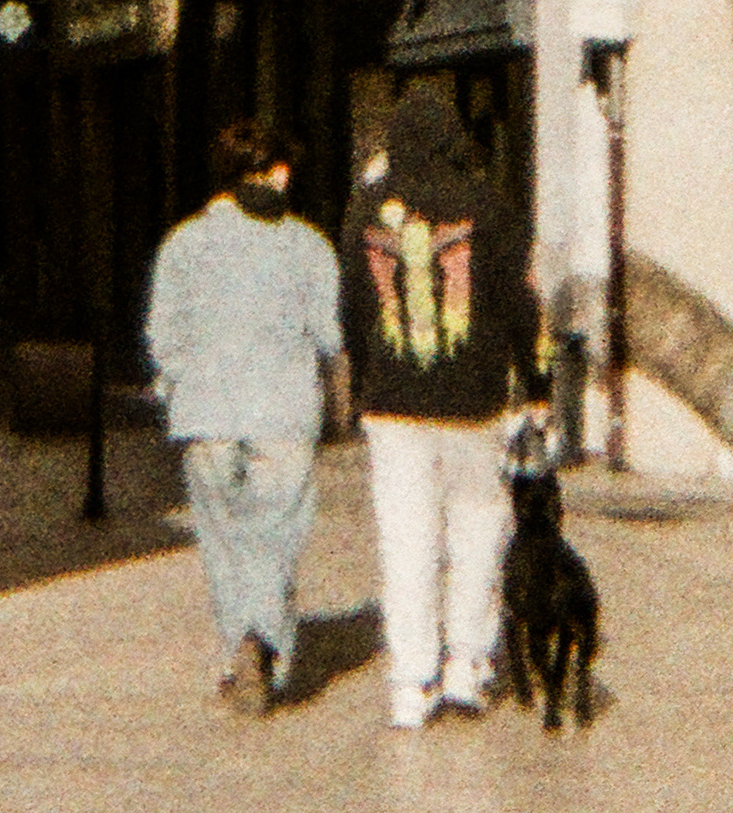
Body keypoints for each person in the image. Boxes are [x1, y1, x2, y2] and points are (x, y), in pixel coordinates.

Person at [345, 78, 543, 731]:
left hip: (392, 403)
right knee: (478, 530)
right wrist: (536, 382)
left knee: (406, 539)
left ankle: (412, 681)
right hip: (473, 400)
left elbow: (353, 304)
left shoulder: (367, 206)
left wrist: (361, 379)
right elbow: (520, 301)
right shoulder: (488, 204)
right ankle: (466, 665)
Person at [144, 117, 346, 716]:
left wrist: (180, 379)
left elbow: (162, 334)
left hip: (207, 412)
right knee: (276, 531)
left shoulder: (184, 243)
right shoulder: (310, 246)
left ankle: (241, 647)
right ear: (279, 173)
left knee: (224, 536)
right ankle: (263, 635)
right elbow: (329, 336)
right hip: (284, 410)